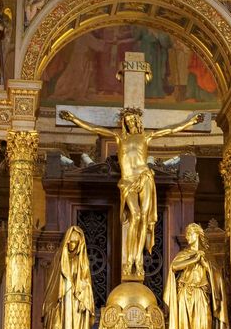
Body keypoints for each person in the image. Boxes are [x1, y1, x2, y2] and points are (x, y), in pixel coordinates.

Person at [60, 108, 203, 279]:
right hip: (127, 181)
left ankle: (137, 260)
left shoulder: (146, 137)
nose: (130, 124)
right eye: (127, 121)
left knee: (143, 217)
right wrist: (74, 119)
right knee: (134, 216)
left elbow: (170, 130)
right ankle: (130, 259)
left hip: (144, 177)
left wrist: (191, 122)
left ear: (137, 121)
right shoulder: (120, 138)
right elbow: (95, 129)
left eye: (132, 120)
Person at [164, 223, 227, 329]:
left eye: (191, 233)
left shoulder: (208, 256)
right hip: (185, 294)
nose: (187, 237)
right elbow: (174, 267)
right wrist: (194, 259)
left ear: (198, 234)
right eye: (186, 234)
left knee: (203, 326)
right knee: (186, 327)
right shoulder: (183, 254)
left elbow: (217, 279)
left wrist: (205, 265)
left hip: (200, 294)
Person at [43, 226, 95, 329]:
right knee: (60, 328)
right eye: (70, 242)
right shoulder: (59, 262)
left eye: (75, 243)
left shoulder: (82, 264)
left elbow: (86, 284)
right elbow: (54, 286)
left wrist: (84, 297)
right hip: (63, 304)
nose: (72, 245)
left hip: (76, 305)